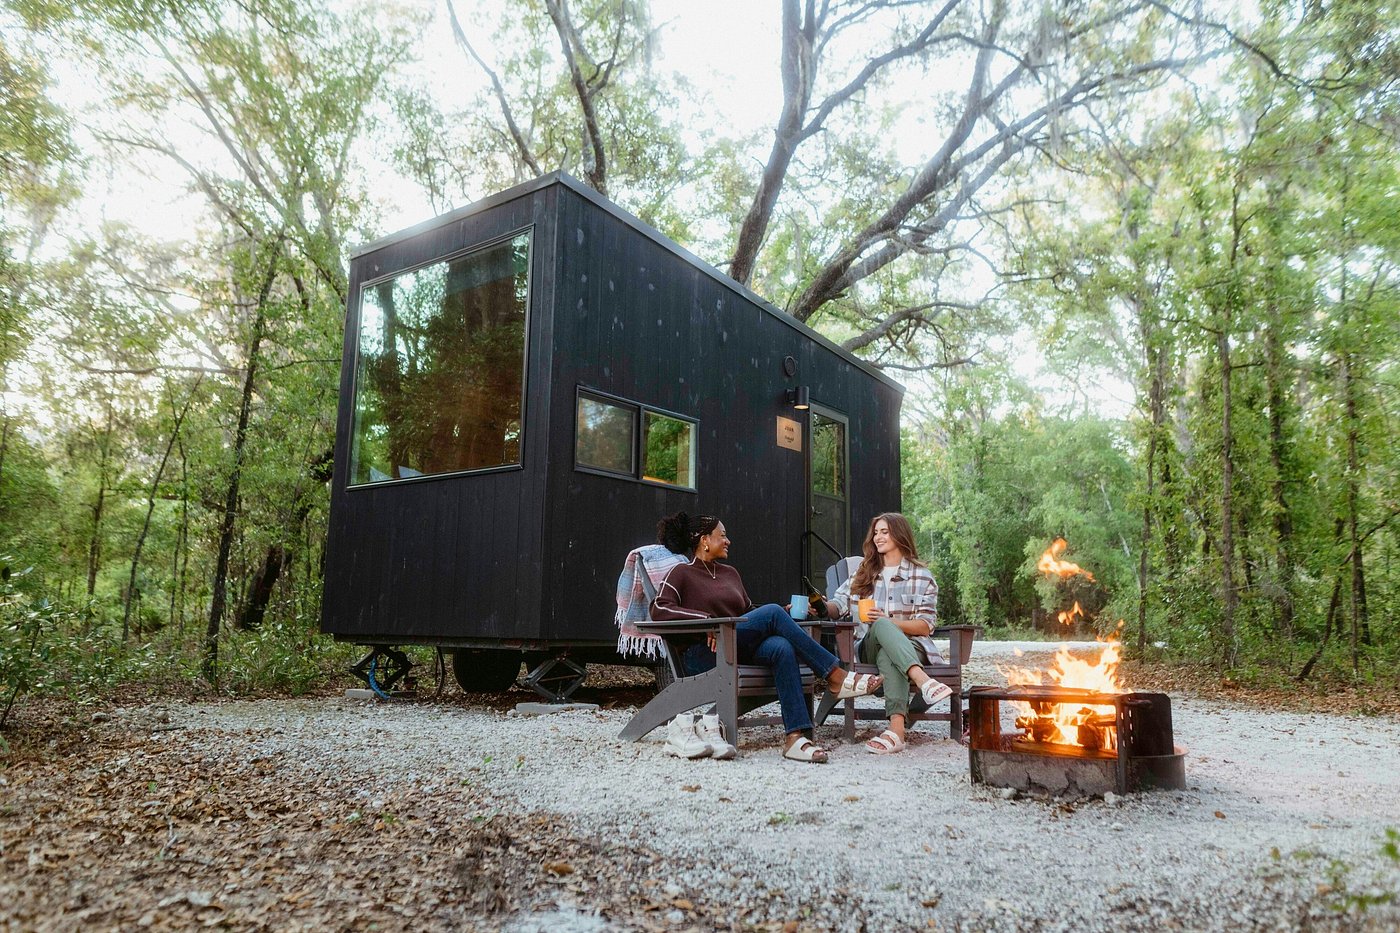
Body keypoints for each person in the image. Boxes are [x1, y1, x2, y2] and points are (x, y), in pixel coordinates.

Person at [651, 511, 882, 763]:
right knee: (771, 614)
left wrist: (783, 615)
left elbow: (748, 613)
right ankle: (835, 676)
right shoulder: (681, 573)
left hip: (737, 647)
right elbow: (659, 608)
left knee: (780, 645)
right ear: (704, 540)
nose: (728, 541)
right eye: (723, 536)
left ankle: (795, 737)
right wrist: (705, 621)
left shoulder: (730, 574)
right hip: (704, 655)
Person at [825, 512, 954, 755]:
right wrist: (822, 605)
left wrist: (891, 622)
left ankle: (896, 732)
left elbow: (926, 625)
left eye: (884, 532)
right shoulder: (863, 571)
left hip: (912, 647)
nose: (878, 537)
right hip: (867, 647)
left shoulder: (921, 576)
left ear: (899, 534)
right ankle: (923, 681)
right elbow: (838, 604)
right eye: (876, 533)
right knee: (881, 627)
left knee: (887, 641)